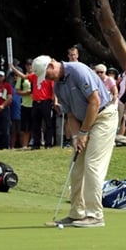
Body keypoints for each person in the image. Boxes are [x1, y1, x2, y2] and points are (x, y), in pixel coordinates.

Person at [34, 55, 117, 228]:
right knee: (77, 167)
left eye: (47, 74)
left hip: (104, 117)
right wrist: (75, 137)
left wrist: (84, 132)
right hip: (82, 123)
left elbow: (95, 102)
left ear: (52, 64)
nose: (48, 79)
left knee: (92, 164)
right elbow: (70, 115)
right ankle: (76, 214)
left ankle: (95, 215)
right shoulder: (57, 86)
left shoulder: (77, 70)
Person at [10, 59, 56, 149]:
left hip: (46, 102)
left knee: (48, 124)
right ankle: (36, 143)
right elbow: (23, 76)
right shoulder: (34, 76)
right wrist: (13, 68)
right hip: (35, 102)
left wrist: (54, 101)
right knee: (36, 124)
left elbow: (53, 90)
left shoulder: (48, 77)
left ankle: (48, 143)